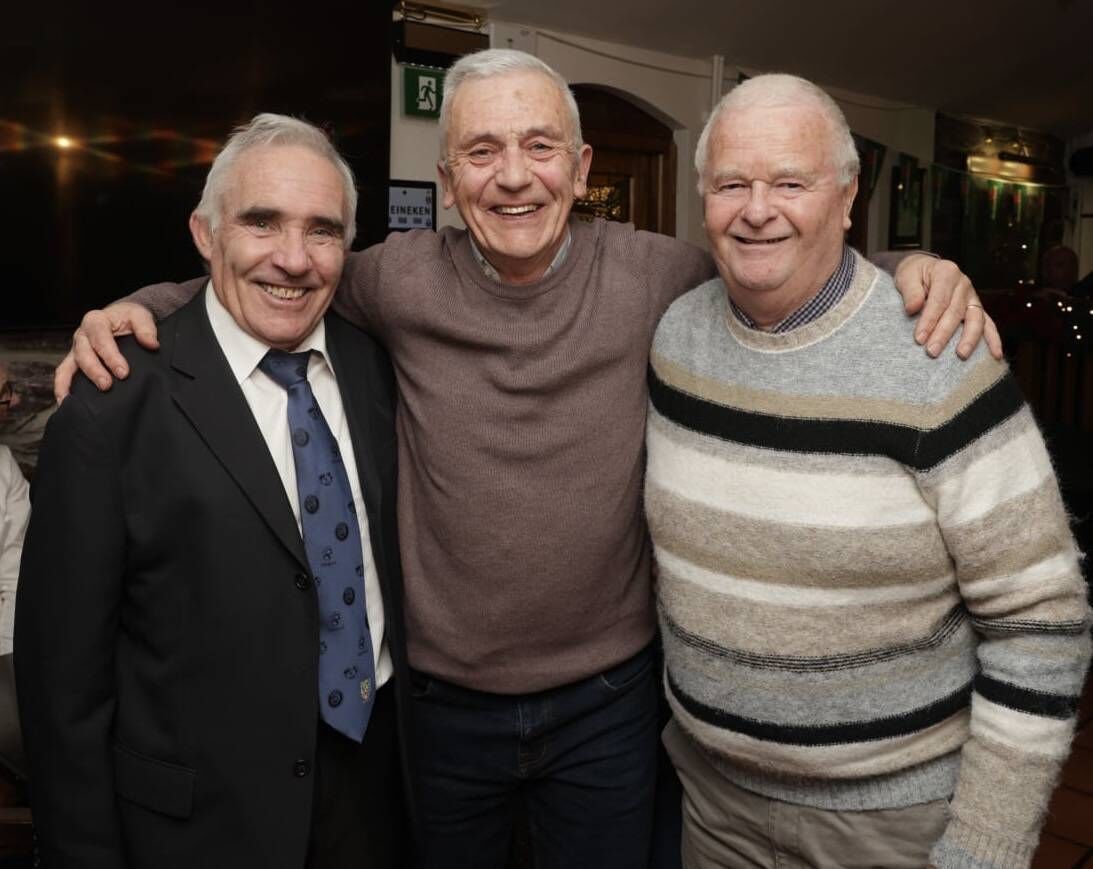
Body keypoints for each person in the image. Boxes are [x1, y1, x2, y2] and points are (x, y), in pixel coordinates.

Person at [55, 50, 998, 869]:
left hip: (609, 703)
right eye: (482, 152)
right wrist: (139, 306)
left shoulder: (658, 277)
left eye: (539, 147)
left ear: (580, 165)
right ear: (449, 177)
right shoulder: (394, 280)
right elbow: (276, 267)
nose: (514, 178)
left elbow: (782, 256)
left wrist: (911, 269)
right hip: (438, 710)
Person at [646, 73, 1091, 869]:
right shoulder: (676, 338)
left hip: (892, 824)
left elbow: (1041, 620)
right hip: (712, 804)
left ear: (847, 198)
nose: (756, 208)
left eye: (790, 182)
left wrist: (984, 845)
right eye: (731, 183)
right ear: (701, 196)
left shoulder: (936, 357)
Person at [16, 115, 412, 869]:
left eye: (322, 231)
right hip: (194, 824)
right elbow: (61, 687)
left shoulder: (377, 370)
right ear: (204, 234)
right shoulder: (112, 403)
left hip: (371, 795)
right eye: (262, 222)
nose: (292, 259)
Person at [0, 361, 30, 656]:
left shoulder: (5, 464)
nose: (15, 400)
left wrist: (7, 656)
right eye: (4, 393)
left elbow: (14, 572)